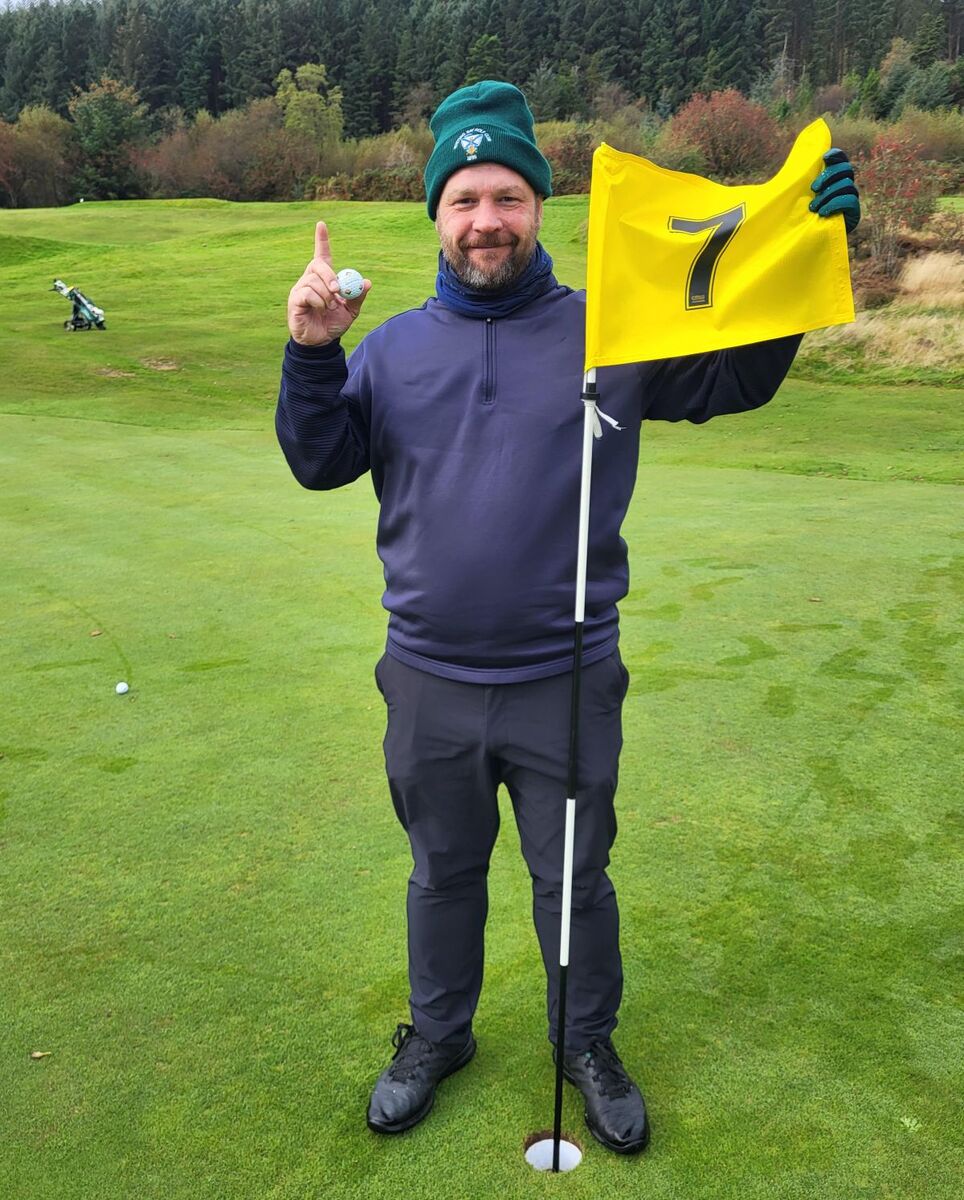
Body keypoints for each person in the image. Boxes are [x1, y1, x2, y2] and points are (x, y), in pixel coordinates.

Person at [276, 80, 860, 1155]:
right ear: (436, 217)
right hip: (429, 680)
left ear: (539, 206)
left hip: (567, 679)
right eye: (463, 199)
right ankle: (439, 1035)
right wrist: (313, 353)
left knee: (573, 881)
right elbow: (319, 460)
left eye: (506, 194)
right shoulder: (393, 349)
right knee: (441, 874)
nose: (485, 218)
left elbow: (733, 377)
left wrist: (804, 261)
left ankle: (582, 1042)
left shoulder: (610, 331)